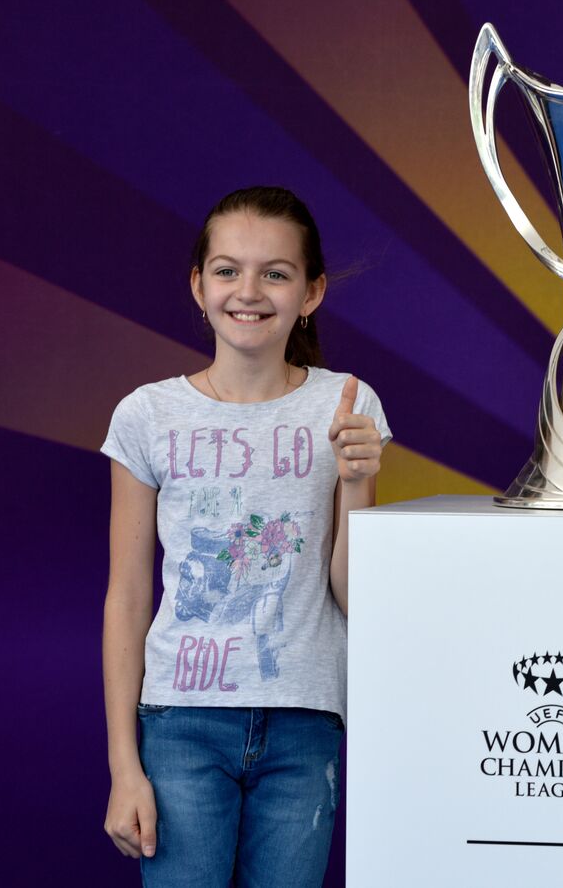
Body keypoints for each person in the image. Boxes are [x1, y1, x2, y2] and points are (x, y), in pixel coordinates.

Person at [101, 186, 390, 885]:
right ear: (198, 285)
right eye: (228, 270)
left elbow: (357, 597)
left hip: (305, 723)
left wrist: (356, 481)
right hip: (179, 723)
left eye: (277, 273)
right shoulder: (148, 414)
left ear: (312, 292)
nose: (249, 291)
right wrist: (123, 765)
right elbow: (129, 598)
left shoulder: (348, 404)